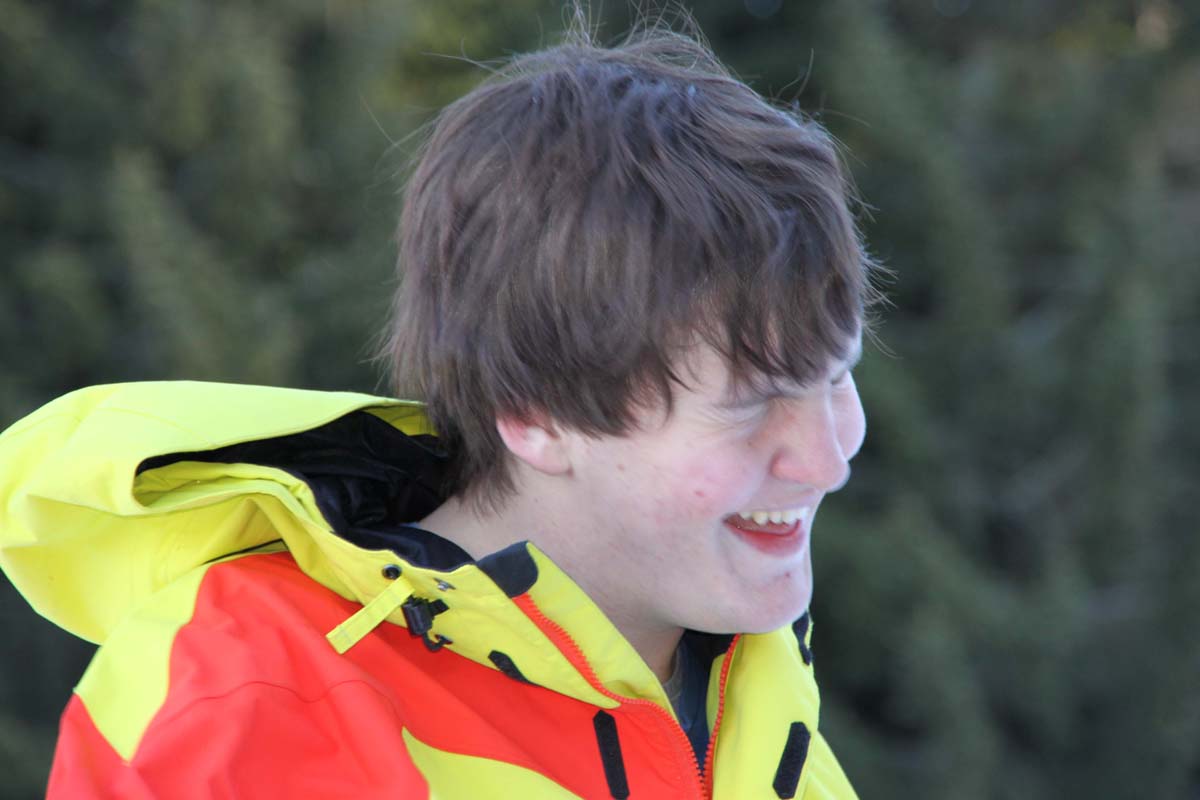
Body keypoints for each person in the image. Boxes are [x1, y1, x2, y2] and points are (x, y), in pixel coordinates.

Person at [0, 18, 879, 800]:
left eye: (836, 376)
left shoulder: (762, 712)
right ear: (537, 411)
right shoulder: (243, 706)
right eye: (751, 403)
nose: (829, 458)